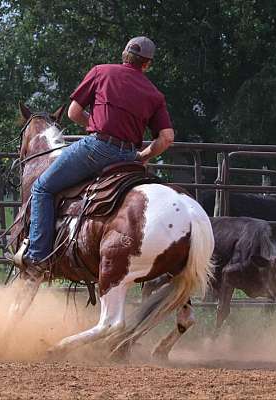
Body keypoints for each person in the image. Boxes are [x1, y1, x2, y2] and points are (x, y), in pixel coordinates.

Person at [23, 36, 175, 268]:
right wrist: (142, 156)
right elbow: (166, 138)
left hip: (96, 149)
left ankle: (37, 256)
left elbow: (74, 112)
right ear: (146, 64)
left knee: (42, 187)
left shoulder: (101, 72)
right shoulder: (155, 94)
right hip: (128, 158)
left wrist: (96, 126)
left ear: (124, 55)